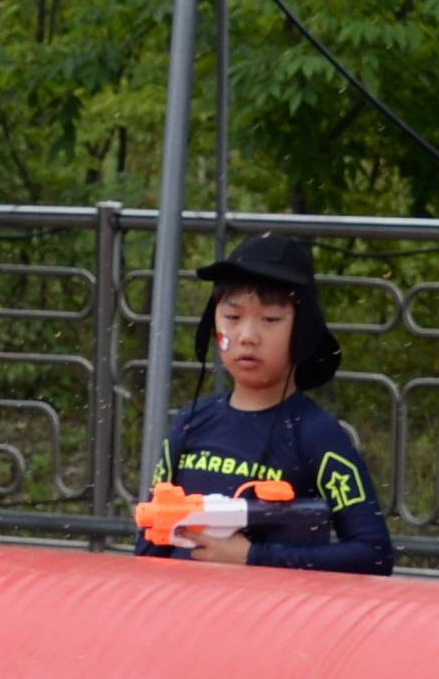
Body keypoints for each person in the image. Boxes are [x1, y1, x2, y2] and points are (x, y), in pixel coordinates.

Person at [144, 232, 393, 573]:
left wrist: (254, 557)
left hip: (274, 620)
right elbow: (149, 542)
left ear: (304, 331)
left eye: (271, 319)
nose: (248, 335)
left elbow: (373, 554)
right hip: (184, 618)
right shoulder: (190, 421)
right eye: (232, 317)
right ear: (212, 325)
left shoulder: (317, 435)